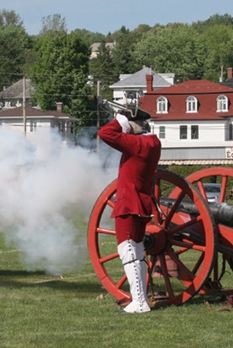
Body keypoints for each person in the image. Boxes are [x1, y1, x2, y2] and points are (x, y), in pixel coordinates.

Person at [98, 106, 161, 314]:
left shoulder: (138, 144)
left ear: (134, 126)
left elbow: (105, 133)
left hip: (129, 202)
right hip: (140, 202)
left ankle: (140, 302)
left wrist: (121, 121)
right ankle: (139, 300)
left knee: (128, 251)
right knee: (137, 252)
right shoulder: (152, 143)